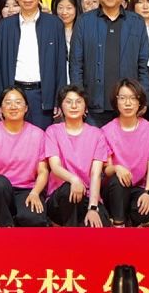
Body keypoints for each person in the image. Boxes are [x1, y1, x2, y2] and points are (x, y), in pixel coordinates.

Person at [70, 0, 149, 127]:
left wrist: (144, 98)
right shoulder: (84, 21)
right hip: (93, 106)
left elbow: (144, 65)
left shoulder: (136, 22)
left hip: (128, 105)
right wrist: (79, 99)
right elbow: (76, 64)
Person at [0, 0, 67, 126]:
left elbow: (60, 65)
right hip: (13, 95)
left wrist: (58, 99)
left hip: (43, 95)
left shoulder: (54, 24)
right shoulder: (5, 26)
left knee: (42, 138)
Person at [0, 86, 49, 227]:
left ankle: (10, 223)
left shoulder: (38, 134)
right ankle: (5, 227)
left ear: (26, 108)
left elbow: (43, 171)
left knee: (34, 219)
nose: (13, 106)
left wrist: (35, 193)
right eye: (8, 102)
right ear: (1, 109)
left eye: (18, 102)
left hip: (27, 189)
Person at [43, 86, 106, 226]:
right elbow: (55, 167)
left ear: (86, 108)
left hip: (87, 196)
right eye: (68, 102)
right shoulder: (52, 131)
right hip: (60, 198)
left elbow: (96, 173)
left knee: (100, 225)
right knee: (67, 189)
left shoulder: (97, 134)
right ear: (61, 107)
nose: (73, 106)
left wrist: (93, 207)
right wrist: (74, 179)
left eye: (78, 101)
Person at [101, 79, 149, 226]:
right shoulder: (106, 130)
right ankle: (119, 223)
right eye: (123, 98)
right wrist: (117, 168)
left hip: (138, 187)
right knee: (118, 180)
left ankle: (128, 222)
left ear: (140, 102)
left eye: (133, 98)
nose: (128, 103)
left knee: (145, 211)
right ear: (116, 102)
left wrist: (147, 192)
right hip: (114, 189)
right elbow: (106, 169)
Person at [50, 0, 81, 74]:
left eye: (69, 8)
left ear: (76, 8)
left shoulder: (83, 31)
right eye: (60, 8)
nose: (64, 12)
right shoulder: (50, 31)